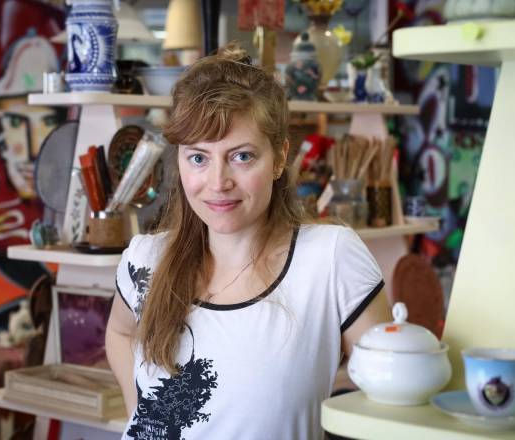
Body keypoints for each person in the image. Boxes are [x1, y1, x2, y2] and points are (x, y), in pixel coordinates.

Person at [105, 43, 392, 440]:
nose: (218, 182)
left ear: (279, 158)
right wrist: (141, 414)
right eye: (198, 158)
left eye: (241, 156)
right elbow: (119, 333)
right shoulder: (146, 258)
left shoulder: (330, 258)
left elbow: (392, 399)